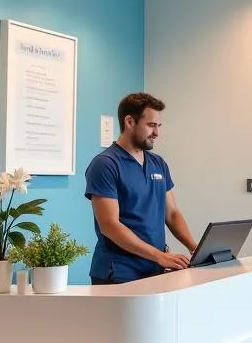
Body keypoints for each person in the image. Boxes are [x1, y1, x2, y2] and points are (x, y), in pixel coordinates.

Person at [84, 92, 196, 284]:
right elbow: (109, 226)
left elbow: (172, 214)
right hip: (120, 271)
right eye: (151, 125)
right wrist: (159, 256)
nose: (157, 133)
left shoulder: (158, 163)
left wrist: (195, 248)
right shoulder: (105, 164)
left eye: (158, 126)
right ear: (129, 122)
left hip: (154, 268)